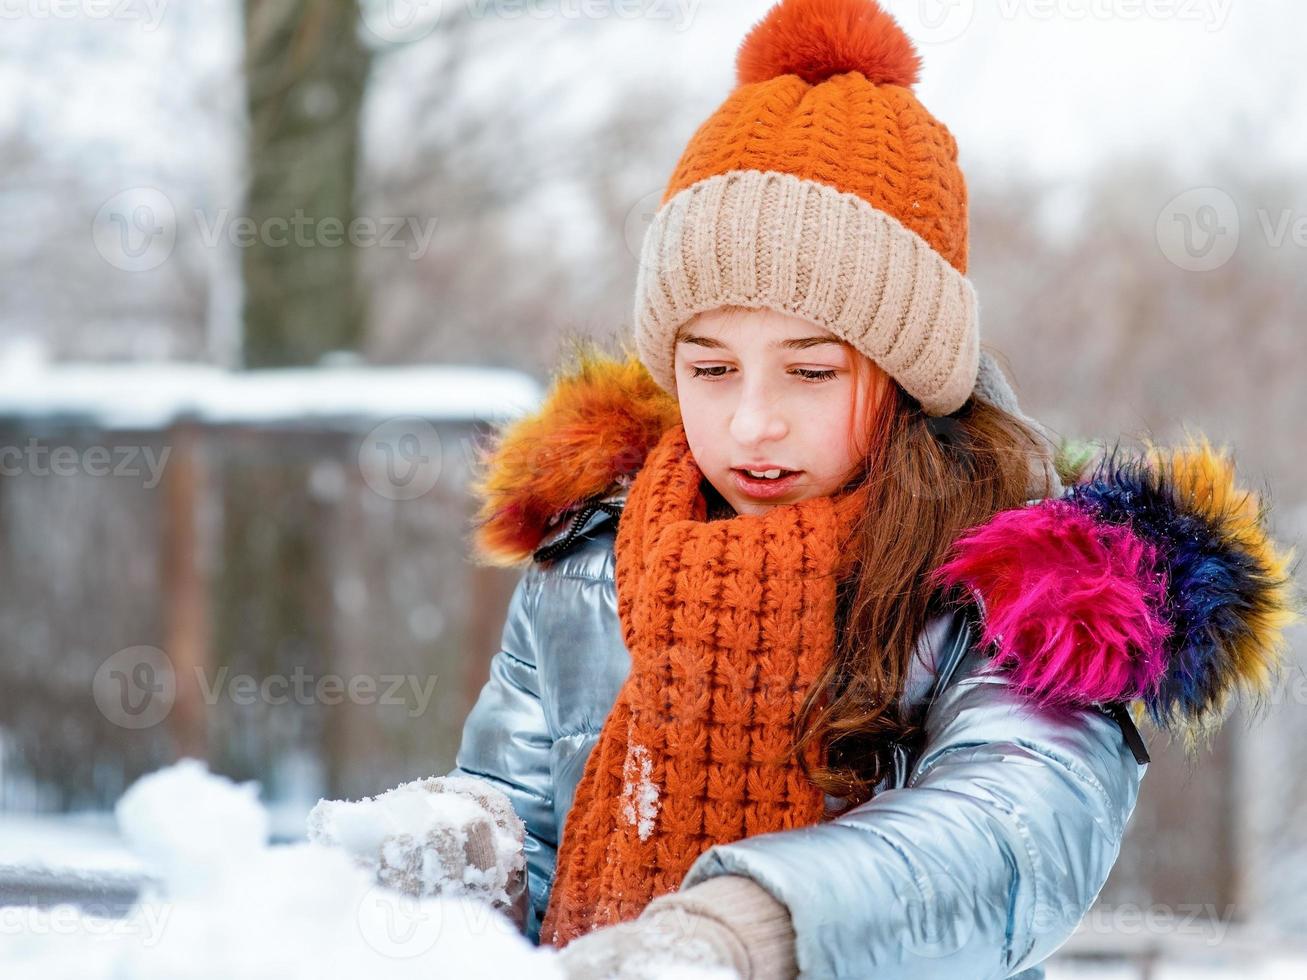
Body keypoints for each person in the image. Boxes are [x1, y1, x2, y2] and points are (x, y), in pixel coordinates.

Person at [437, 1, 1301, 977]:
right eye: (710, 369)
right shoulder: (590, 555)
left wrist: (752, 923)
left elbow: (1005, 836)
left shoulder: (1017, 597)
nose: (752, 420)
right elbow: (519, 803)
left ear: (905, 375)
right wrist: (463, 849)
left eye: (809, 371)